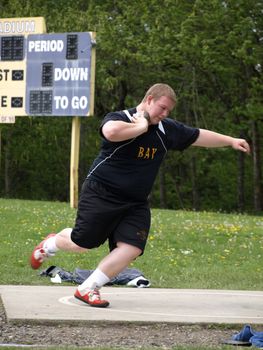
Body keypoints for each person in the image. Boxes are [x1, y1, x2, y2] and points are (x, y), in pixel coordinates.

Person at [30, 83, 250, 308]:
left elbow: (197, 136)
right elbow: (111, 132)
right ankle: (50, 244)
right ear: (149, 99)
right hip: (101, 192)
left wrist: (230, 141)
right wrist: (141, 125)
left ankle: (88, 288)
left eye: (168, 111)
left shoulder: (166, 129)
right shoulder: (121, 117)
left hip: (135, 202)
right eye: (162, 108)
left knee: (132, 247)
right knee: (83, 243)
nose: (164, 114)